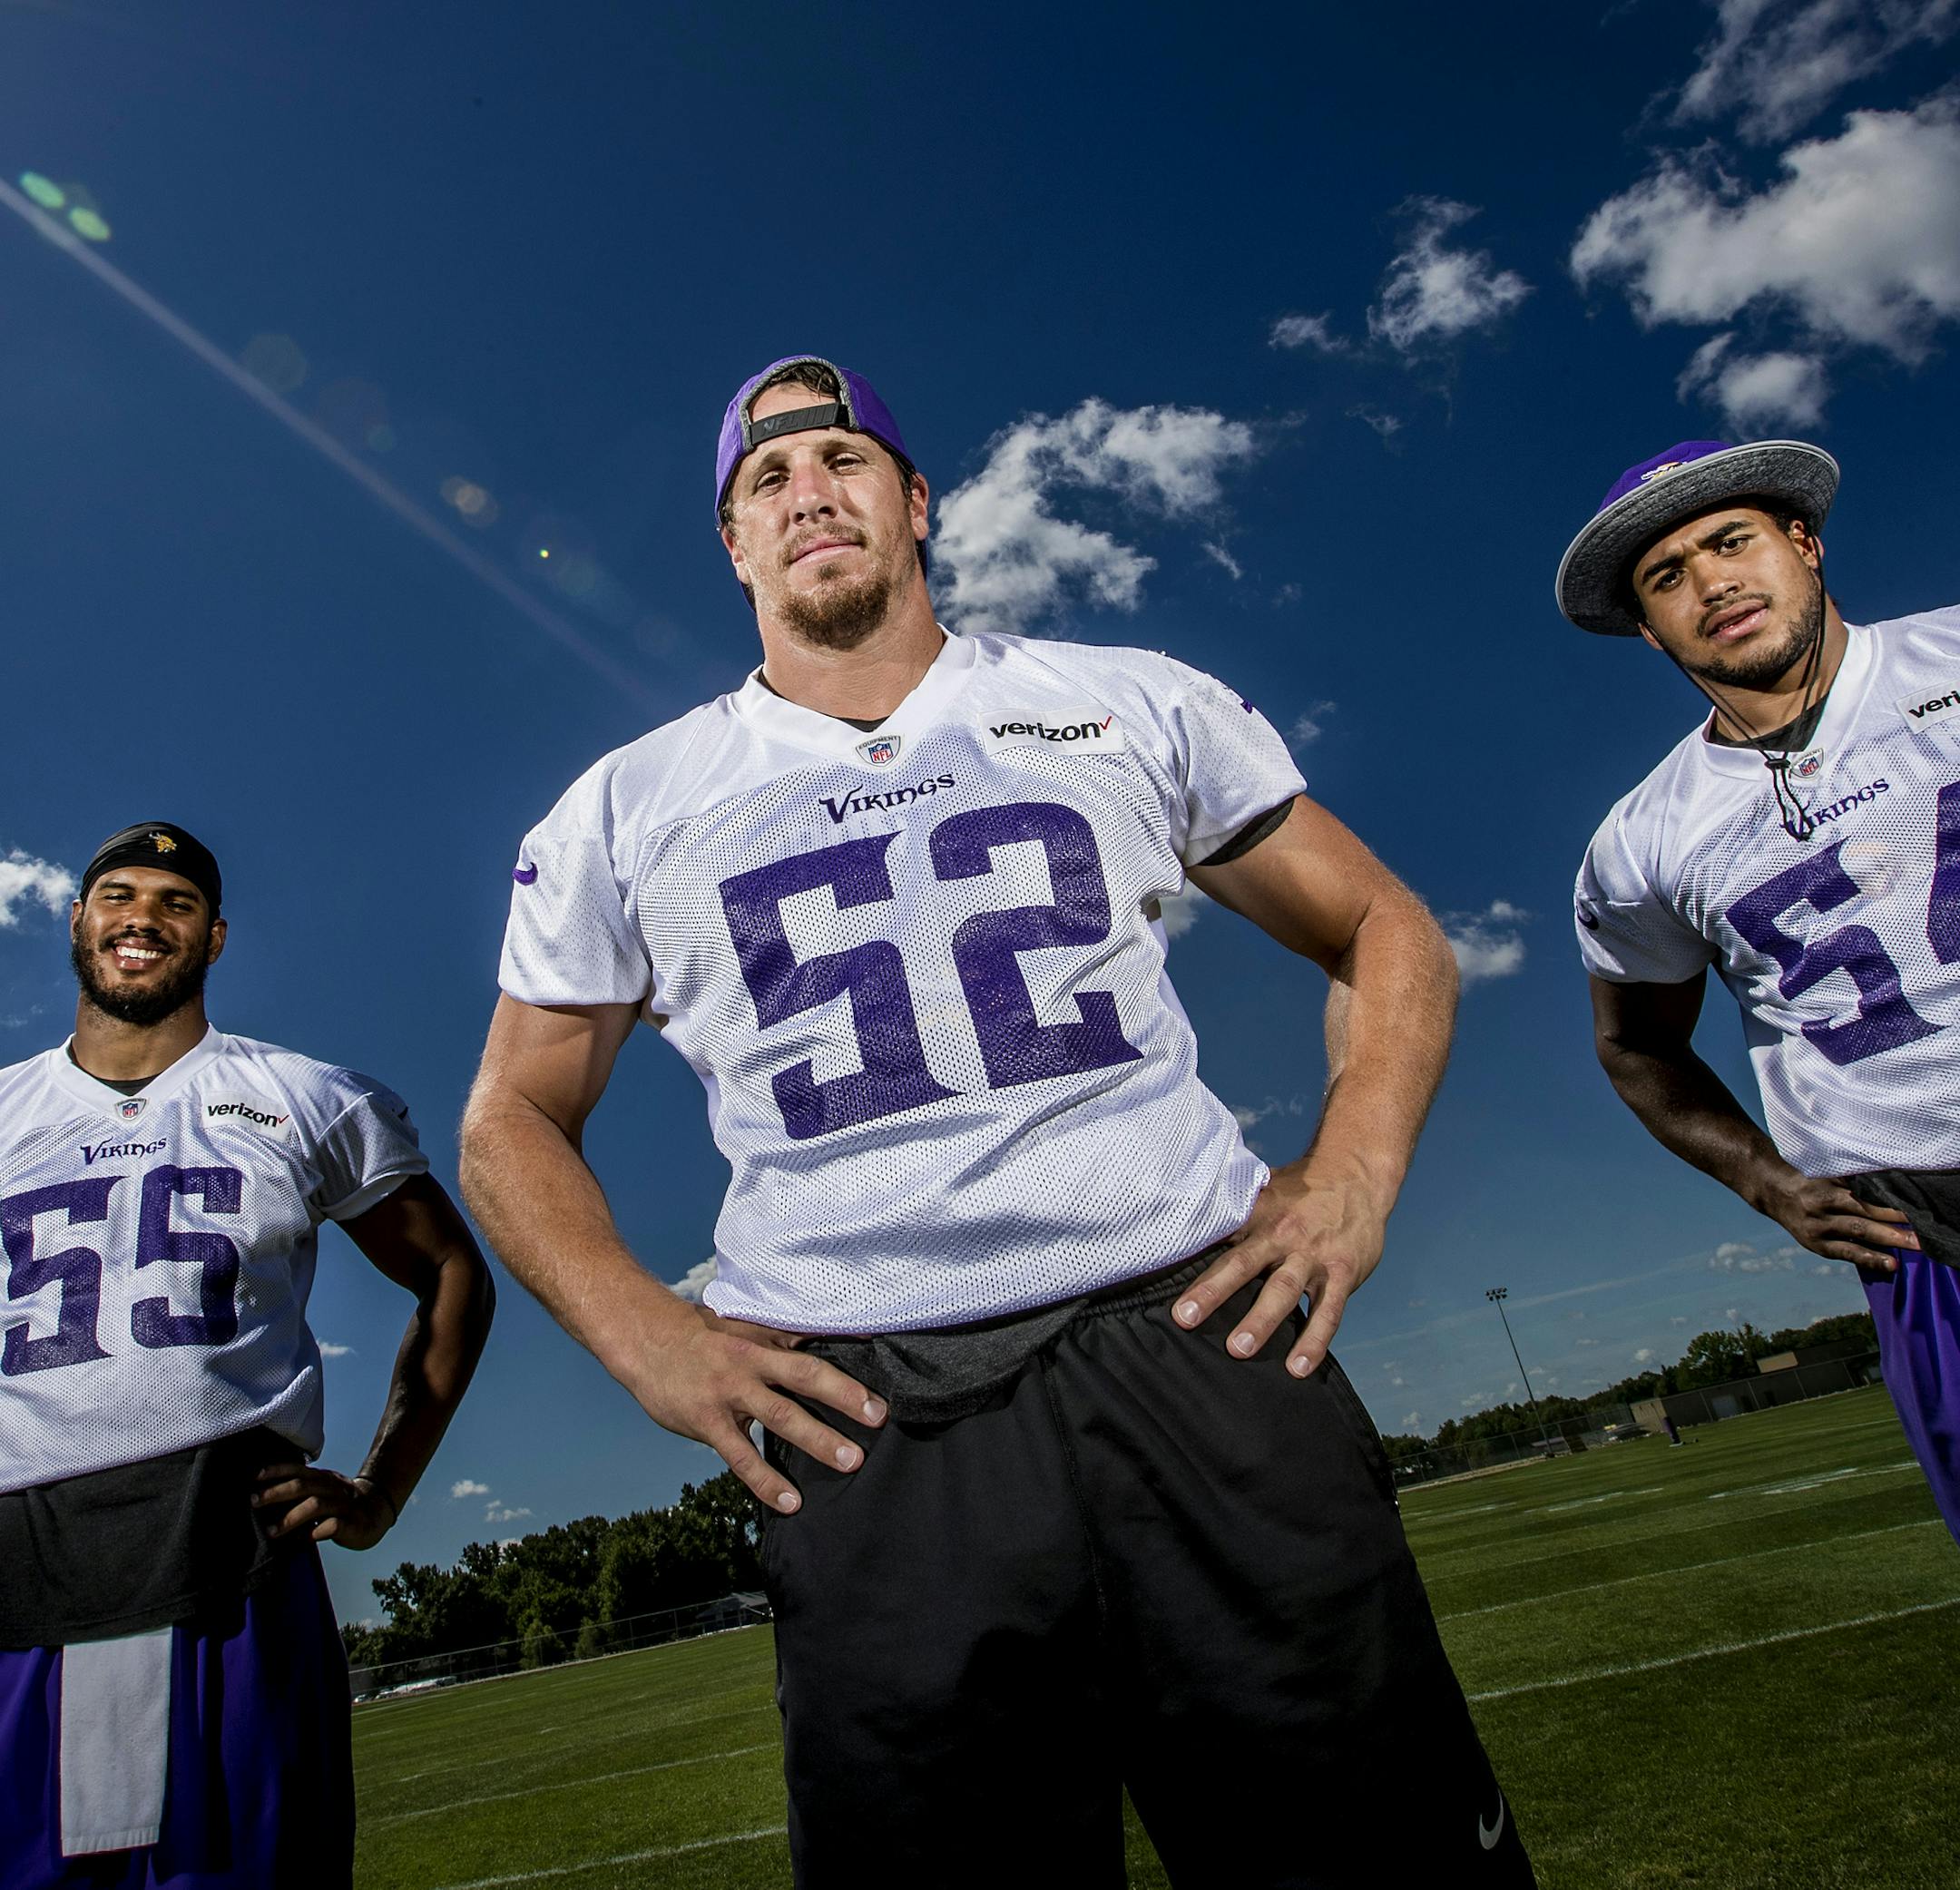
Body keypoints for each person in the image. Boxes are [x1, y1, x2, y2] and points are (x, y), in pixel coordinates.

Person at [462, 356, 1534, 1885]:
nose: (805, 493)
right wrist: (643, 1325)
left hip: (1198, 1343)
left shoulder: (1120, 697)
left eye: (839, 459)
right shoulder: (627, 806)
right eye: (765, 480)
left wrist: (1352, 1170)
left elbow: (1385, 925)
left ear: (913, 499)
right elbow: (511, 1115)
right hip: (870, 1416)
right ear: (733, 546)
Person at [0, 822, 495, 1888]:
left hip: (227, 1555)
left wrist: (379, 1490)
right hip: (19, 1566)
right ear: (76, 918)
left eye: (175, 903)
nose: (143, 917)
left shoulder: (304, 1096)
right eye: (118, 895)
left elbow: (453, 1275)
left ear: (214, 939)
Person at [1560, 438, 1960, 1541]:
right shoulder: (1643, 839)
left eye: (1730, 542)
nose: (1712, 583)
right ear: (1648, 627)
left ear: (1803, 541)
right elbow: (1637, 1048)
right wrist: (1769, 1182)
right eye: (1668, 575)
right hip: (1924, 1229)